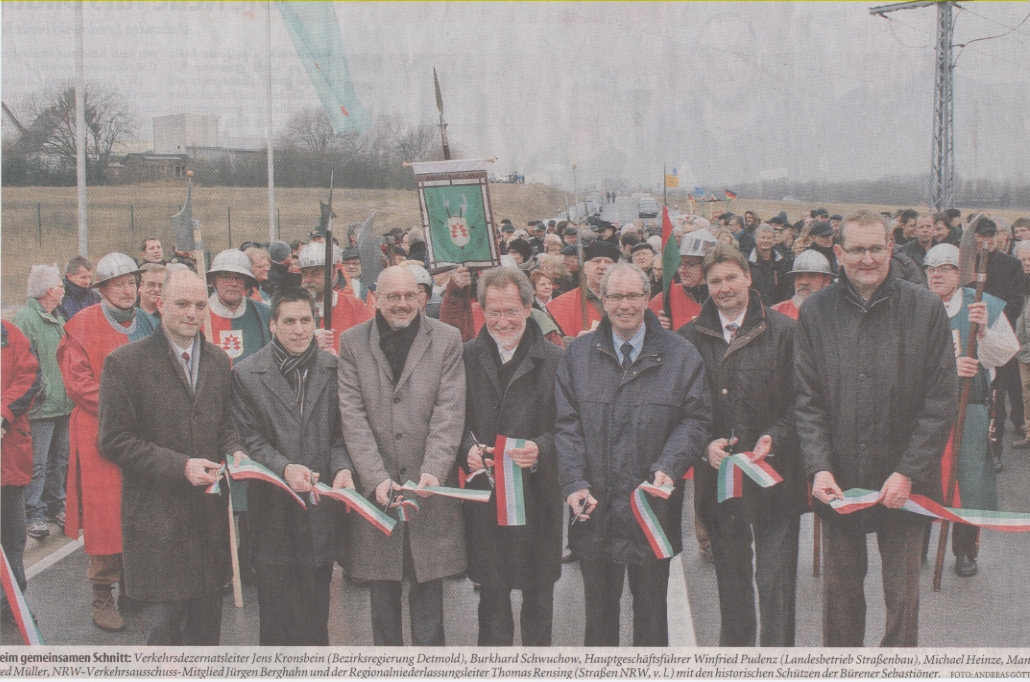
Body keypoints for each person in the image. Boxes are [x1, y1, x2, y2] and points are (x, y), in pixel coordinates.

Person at [795, 210, 957, 647]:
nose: (867, 259)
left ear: (890, 248)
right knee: (841, 595)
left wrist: (908, 471)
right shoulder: (815, 311)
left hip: (906, 482)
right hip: (840, 480)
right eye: (857, 249)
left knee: (902, 601)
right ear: (839, 252)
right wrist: (819, 467)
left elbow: (940, 401)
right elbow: (805, 402)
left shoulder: (924, 307)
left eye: (875, 248)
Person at [555, 262, 711, 646]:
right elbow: (566, 424)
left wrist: (668, 466)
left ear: (647, 298)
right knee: (600, 618)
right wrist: (574, 481)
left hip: (652, 509)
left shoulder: (681, 355)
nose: (625, 305)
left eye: (633, 296)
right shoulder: (577, 355)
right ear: (601, 301)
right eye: (615, 296)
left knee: (652, 617)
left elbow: (696, 421)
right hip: (594, 510)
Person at [98, 266, 242, 645]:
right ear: (161, 304)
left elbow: (224, 424)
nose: (192, 313)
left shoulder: (216, 360)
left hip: (208, 527)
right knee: (163, 638)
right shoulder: (125, 363)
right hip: (156, 524)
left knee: (206, 637)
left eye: (199, 304)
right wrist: (180, 466)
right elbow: (114, 440)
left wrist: (236, 452)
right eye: (181, 303)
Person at [680, 244, 805, 646]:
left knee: (775, 584)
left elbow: (803, 401)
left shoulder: (785, 332)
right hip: (719, 481)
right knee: (731, 584)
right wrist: (703, 445)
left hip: (775, 475)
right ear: (706, 285)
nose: (724, 287)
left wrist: (776, 437)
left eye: (732, 277)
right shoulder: (687, 339)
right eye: (715, 280)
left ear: (749, 278)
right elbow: (680, 408)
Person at [337, 266, 467, 646]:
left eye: (410, 296)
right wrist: (375, 478)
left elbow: (450, 410)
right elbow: (352, 414)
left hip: (427, 489)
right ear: (376, 298)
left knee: (429, 600)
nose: (402, 304)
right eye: (393, 296)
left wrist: (434, 471)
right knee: (383, 601)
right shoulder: (352, 342)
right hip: (376, 490)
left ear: (423, 297)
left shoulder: (447, 339)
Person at [230, 286, 353, 645]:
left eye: (306, 320)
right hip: (272, 512)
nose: (299, 329)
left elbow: (341, 435)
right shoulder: (246, 373)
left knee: (317, 617)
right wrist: (284, 468)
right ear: (272, 325)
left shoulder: (335, 369)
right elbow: (249, 438)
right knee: (276, 618)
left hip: (319, 513)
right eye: (289, 321)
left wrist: (343, 467)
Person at [460, 267, 564, 646]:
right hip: (487, 499)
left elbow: (570, 427)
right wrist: (465, 451)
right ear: (481, 310)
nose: (502, 322)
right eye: (493, 312)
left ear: (528, 307)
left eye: (511, 312)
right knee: (491, 600)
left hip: (539, 498)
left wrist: (542, 447)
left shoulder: (555, 359)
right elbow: (452, 419)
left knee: (539, 599)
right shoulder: (465, 356)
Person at [56, 252, 159, 632]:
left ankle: (135, 588)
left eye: (132, 282)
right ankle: (102, 596)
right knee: (105, 518)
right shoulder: (81, 325)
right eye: (119, 284)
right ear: (102, 289)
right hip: (98, 434)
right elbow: (79, 386)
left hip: (142, 433)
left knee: (142, 510)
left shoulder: (149, 322)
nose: (127, 289)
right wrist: (128, 407)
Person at [923, 243, 1017, 577]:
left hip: (970, 407)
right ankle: (916, 544)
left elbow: (1004, 354)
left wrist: (984, 331)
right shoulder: (915, 305)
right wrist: (947, 366)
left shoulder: (982, 304)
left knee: (970, 484)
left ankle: (965, 551)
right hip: (925, 410)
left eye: (945, 268)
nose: (936, 274)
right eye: (931, 268)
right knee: (920, 476)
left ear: (960, 272)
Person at [13, 265, 74, 541]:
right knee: (38, 462)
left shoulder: (59, 318)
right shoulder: (25, 319)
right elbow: (23, 363)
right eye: (60, 286)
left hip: (64, 404)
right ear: (50, 291)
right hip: (42, 406)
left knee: (60, 459)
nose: (63, 289)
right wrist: (42, 391)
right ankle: (33, 513)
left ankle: (55, 505)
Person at [1, 321, 43, 623]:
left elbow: (30, 378)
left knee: (13, 538)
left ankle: (12, 603)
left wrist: (2, 415)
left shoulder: (9, 334)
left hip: (8, 456)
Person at [297, 241, 373, 353]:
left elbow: (367, 350)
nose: (308, 280)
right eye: (304, 274)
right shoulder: (292, 308)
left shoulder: (355, 307)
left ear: (332, 274)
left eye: (315, 273)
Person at [207, 249, 273, 366]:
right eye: (226, 277)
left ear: (247, 282)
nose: (233, 283)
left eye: (239, 277)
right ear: (213, 281)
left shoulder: (265, 314)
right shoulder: (200, 314)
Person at [546, 240, 619, 341]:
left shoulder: (625, 300)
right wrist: (575, 342)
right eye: (597, 261)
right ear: (585, 268)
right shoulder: (563, 304)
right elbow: (553, 344)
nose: (602, 266)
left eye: (608, 262)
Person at [650, 228, 717, 331]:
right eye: (680, 263)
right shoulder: (669, 295)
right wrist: (656, 327)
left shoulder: (723, 295)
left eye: (690, 264)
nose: (681, 270)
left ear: (708, 265)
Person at [771, 250, 834, 320]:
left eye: (811, 276)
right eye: (800, 276)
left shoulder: (835, 312)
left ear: (826, 280)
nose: (804, 282)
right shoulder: (776, 312)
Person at [57, 255, 100, 321]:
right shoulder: (59, 297)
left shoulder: (95, 296)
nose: (87, 282)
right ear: (70, 276)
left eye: (90, 277)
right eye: (83, 277)